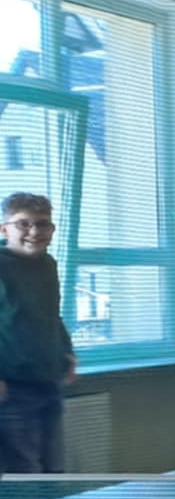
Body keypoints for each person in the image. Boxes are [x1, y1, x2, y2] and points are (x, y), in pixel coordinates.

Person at [0, 192, 75, 474]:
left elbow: (51, 315)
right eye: (24, 224)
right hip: (12, 388)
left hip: (48, 381)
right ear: (4, 229)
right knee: (25, 472)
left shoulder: (48, 264)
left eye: (43, 224)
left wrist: (67, 353)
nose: (34, 231)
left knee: (54, 469)